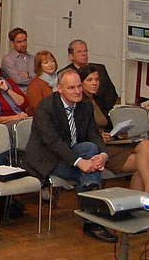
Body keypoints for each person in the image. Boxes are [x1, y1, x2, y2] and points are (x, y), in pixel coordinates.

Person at [25, 69, 115, 243]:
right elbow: (53, 142)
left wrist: (103, 155)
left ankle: (92, 216)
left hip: (73, 152)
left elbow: (93, 134)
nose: (77, 91)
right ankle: (93, 220)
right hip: (47, 158)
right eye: (71, 88)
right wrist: (80, 162)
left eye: (79, 86)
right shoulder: (46, 106)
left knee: (90, 148)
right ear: (59, 88)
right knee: (88, 171)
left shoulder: (85, 105)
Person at [78, 65, 149, 194]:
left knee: (146, 146)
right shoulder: (80, 102)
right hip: (98, 147)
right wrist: (99, 136)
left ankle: (147, 194)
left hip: (110, 141)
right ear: (81, 83)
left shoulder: (98, 100)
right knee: (145, 166)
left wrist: (117, 133)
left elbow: (108, 125)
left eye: (97, 79)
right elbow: (81, 131)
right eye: (89, 80)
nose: (94, 83)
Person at [60, 39, 118, 113]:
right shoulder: (66, 73)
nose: (84, 54)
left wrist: (102, 111)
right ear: (71, 56)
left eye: (85, 51)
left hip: (103, 112)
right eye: (79, 52)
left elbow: (112, 94)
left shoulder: (100, 69)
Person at [25, 50, 58, 114]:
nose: (50, 65)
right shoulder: (34, 85)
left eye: (52, 61)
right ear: (39, 66)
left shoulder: (60, 79)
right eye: (46, 63)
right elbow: (38, 109)